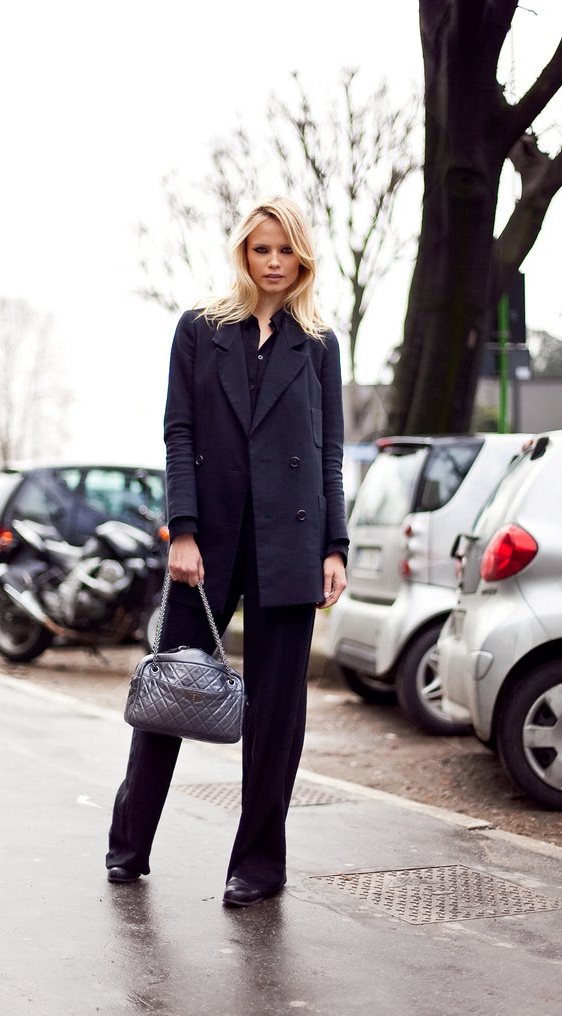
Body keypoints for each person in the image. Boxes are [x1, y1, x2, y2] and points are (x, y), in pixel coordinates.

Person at [106, 196, 349, 907]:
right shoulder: (200, 330)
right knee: (169, 690)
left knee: (276, 713)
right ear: (243, 254)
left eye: (285, 252)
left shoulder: (320, 344)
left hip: (290, 543)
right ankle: (129, 842)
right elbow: (178, 433)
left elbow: (328, 452)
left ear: (301, 258)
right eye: (260, 250)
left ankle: (258, 866)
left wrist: (333, 546)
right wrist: (180, 529)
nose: (273, 264)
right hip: (205, 543)